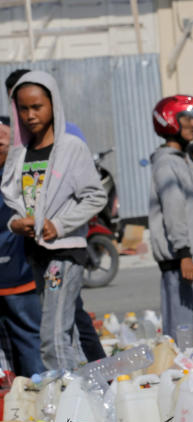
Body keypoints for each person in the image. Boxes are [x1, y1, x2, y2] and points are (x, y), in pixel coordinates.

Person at [1, 71, 106, 371]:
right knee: (65, 330)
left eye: (37, 107)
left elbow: (95, 196)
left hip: (65, 251)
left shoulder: (71, 148)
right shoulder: (20, 154)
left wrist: (58, 224)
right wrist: (15, 225)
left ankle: (64, 401)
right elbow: (14, 202)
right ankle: (85, 396)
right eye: (23, 108)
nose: (31, 115)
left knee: (51, 336)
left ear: (53, 105)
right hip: (36, 252)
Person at [149, 95, 193, 337]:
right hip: (181, 261)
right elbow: (173, 212)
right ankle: (184, 375)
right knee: (183, 333)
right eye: (187, 118)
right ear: (170, 121)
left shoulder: (189, 162)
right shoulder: (166, 165)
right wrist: (184, 254)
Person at [0, 116, 44, 376]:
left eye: (4, 139)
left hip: (20, 272)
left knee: (29, 341)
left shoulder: (25, 170)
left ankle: (37, 400)